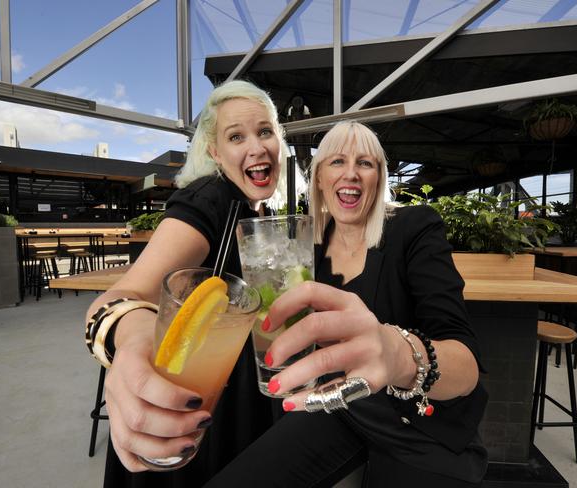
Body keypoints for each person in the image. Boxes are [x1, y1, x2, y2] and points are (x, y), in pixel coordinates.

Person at [205, 121, 488, 487]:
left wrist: (398, 355)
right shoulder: (308, 249)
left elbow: (467, 366)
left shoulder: (414, 227)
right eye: (337, 162)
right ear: (319, 178)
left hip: (417, 427)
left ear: (379, 177)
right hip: (336, 409)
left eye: (365, 163)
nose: (351, 173)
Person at [85, 79, 295, 487]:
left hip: (232, 401)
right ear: (215, 152)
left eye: (265, 131)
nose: (256, 147)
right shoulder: (209, 198)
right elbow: (122, 296)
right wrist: (133, 339)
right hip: (189, 410)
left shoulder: (254, 211)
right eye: (237, 136)